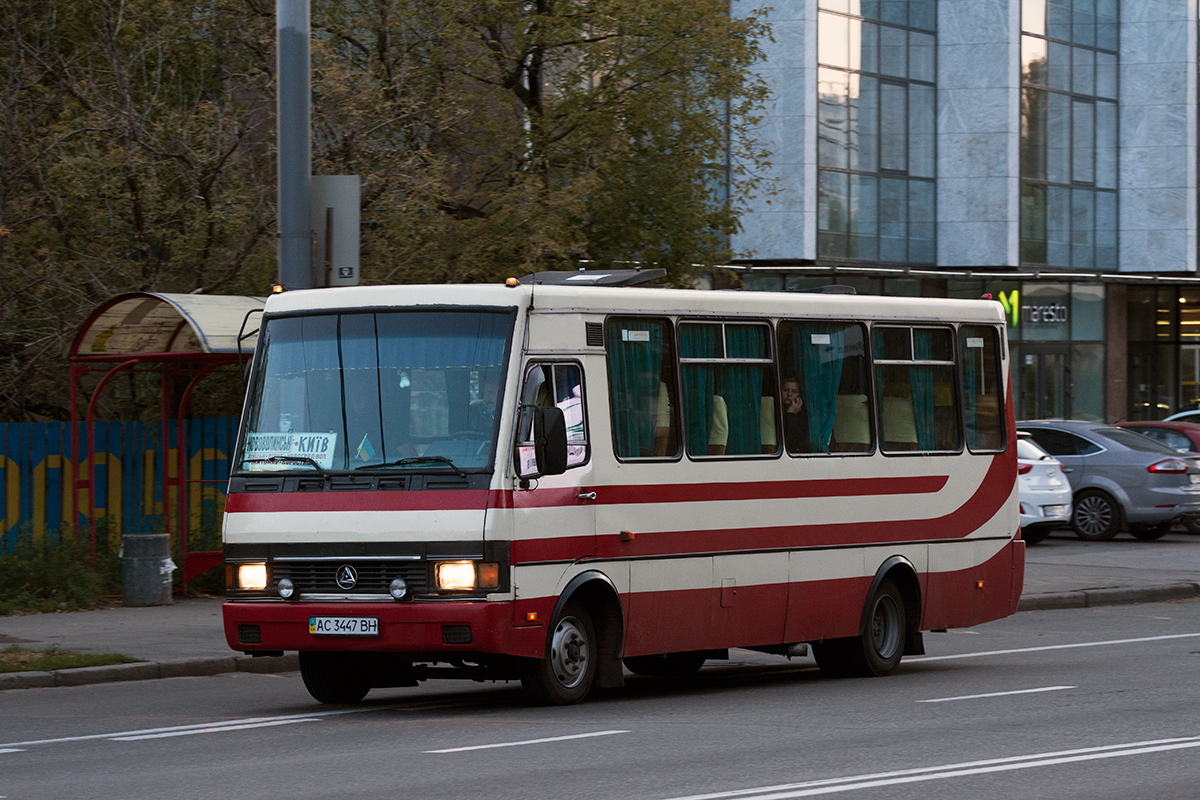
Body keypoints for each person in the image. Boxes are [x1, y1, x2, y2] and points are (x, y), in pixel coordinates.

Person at [781, 376, 810, 453]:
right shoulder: (775, 411)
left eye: (794, 391)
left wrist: (791, 415)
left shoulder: (805, 415)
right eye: (785, 390)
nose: (789, 394)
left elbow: (797, 442)